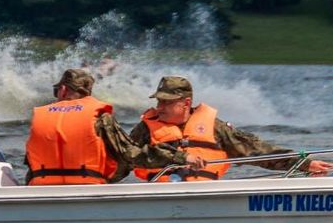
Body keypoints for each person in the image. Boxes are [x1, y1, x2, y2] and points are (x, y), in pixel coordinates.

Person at [130, 76, 333, 182]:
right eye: (159, 101)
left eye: (167, 102)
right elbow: (122, 155)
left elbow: (256, 150)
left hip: (205, 197)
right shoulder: (145, 129)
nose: (160, 107)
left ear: (185, 103)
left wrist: (303, 164)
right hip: (160, 193)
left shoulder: (215, 128)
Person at [24, 68, 206, 185]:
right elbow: (132, 154)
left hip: (42, 191)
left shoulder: (39, 116)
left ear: (62, 90)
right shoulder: (99, 117)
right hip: (87, 191)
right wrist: (180, 157)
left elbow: (32, 163)